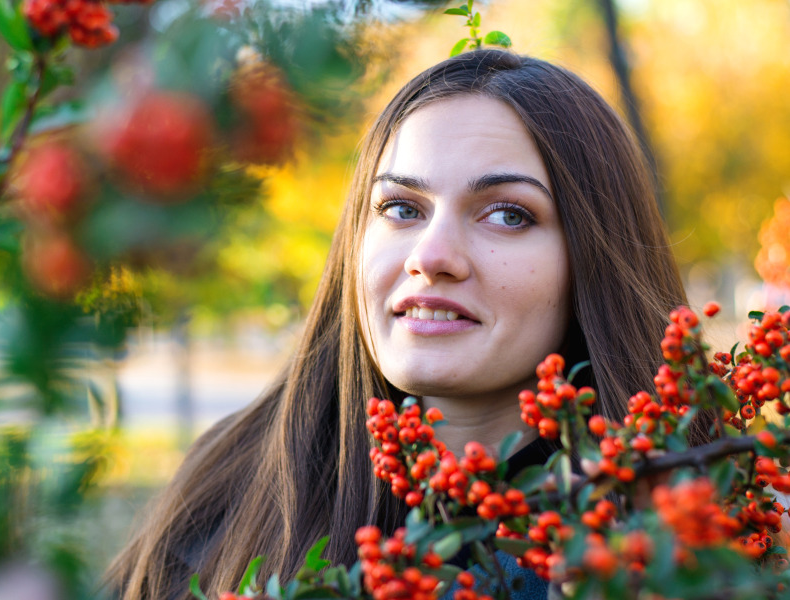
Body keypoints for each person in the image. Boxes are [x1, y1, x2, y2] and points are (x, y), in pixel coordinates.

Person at [108, 48, 689, 600]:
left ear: (594, 257)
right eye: (401, 208)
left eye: (508, 215)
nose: (430, 256)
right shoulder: (231, 488)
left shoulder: (693, 524)